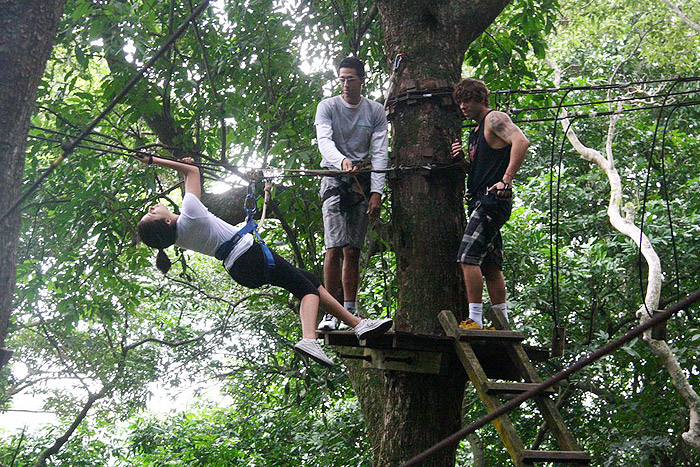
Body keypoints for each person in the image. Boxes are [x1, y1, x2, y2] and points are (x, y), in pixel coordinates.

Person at [134, 154, 392, 367]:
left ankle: (357, 324)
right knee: (307, 289)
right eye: (151, 214)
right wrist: (153, 160)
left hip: (242, 268)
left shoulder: (179, 236)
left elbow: (189, 174)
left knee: (310, 279)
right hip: (250, 255)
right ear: (166, 221)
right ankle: (309, 338)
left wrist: (185, 168)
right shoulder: (190, 212)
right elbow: (192, 172)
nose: (151, 208)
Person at [314, 56, 389, 330]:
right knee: (334, 246)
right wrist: (341, 161)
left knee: (352, 249)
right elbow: (324, 141)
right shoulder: (327, 107)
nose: (345, 84)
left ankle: (350, 312)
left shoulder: (375, 111)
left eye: (351, 79)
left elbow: (380, 153)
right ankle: (331, 313)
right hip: (334, 176)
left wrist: (377, 193)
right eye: (342, 78)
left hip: (363, 179)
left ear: (362, 80)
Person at [451, 78, 530, 329]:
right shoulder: (475, 132)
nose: (463, 106)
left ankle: (475, 318)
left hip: (491, 200)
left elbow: (521, 141)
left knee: (467, 257)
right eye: (460, 101)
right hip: (480, 199)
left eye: (468, 100)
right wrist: (463, 161)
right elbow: (482, 168)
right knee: (490, 264)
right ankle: (502, 320)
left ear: (480, 99)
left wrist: (506, 180)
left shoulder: (494, 118)